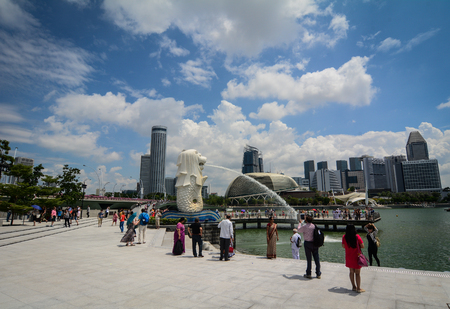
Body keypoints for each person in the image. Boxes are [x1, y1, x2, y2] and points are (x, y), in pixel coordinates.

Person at [342, 224, 365, 293]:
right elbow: (362, 246)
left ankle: (353, 287)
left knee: (351, 272)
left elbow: (343, 246)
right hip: (356, 257)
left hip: (349, 256)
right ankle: (358, 288)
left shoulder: (344, 237)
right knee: (357, 273)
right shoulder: (357, 236)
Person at [297, 215, 321, 279]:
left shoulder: (305, 226)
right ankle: (318, 273)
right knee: (316, 258)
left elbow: (298, 230)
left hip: (308, 243)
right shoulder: (314, 226)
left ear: (306, 220)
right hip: (315, 243)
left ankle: (309, 273)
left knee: (309, 259)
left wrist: (300, 223)